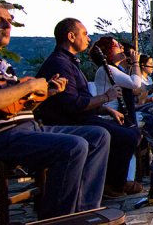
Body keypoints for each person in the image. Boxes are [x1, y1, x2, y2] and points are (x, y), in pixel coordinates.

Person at [0, 3, 110, 218]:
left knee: (99, 135)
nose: (7, 26)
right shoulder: (58, 61)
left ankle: (85, 211)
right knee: (74, 146)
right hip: (5, 136)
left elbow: (14, 106)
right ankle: (58, 219)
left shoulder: (2, 64)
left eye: (9, 20)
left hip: (29, 128)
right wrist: (29, 86)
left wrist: (48, 93)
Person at [36, 18, 142, 198]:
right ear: (71, 36)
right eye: (84, 34)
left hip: (79, 117)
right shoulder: (59, 63)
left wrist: (106, 109)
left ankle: (113, 181)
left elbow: (78, 101)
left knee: (130, 132)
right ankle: (113, 184)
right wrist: (106, 98)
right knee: (126, 136)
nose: (88, 38)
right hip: (68, 123)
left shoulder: (68, 62)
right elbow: (72, 105)